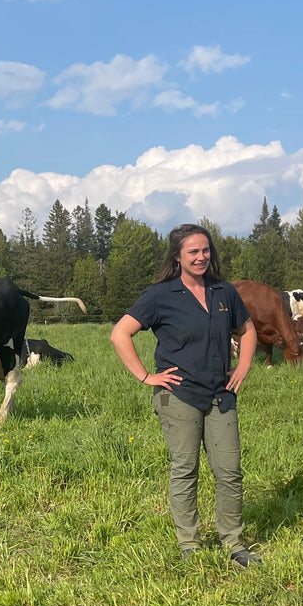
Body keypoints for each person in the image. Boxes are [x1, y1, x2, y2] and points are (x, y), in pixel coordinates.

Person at [110, 223, 260, 566]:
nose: (201, 257)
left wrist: (243, 367)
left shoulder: (224, 292)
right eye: (193, 251)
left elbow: (248, 331)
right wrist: (146, 376)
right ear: (177, 257)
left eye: (205, 250)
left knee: (230, 471)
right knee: (185, 468)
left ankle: (234, 544)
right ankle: (190, 543)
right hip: (178, 395)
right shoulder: (160, 295)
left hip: (221, 395)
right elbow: (120, 334)